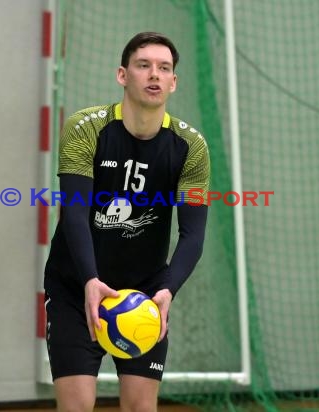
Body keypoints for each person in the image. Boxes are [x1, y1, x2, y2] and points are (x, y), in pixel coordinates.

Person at [43, 31, 210, 412]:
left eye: (163, 68)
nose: (154, 74)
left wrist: (167, 290)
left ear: (173, 81)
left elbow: (192, 234)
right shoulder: (86, 128)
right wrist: (88, 280)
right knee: (77, 406)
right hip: (76, 287)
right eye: (143, 65)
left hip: (144, 292)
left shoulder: (191, 147)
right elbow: (74, 213)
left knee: (140, 406)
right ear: (123, 75)